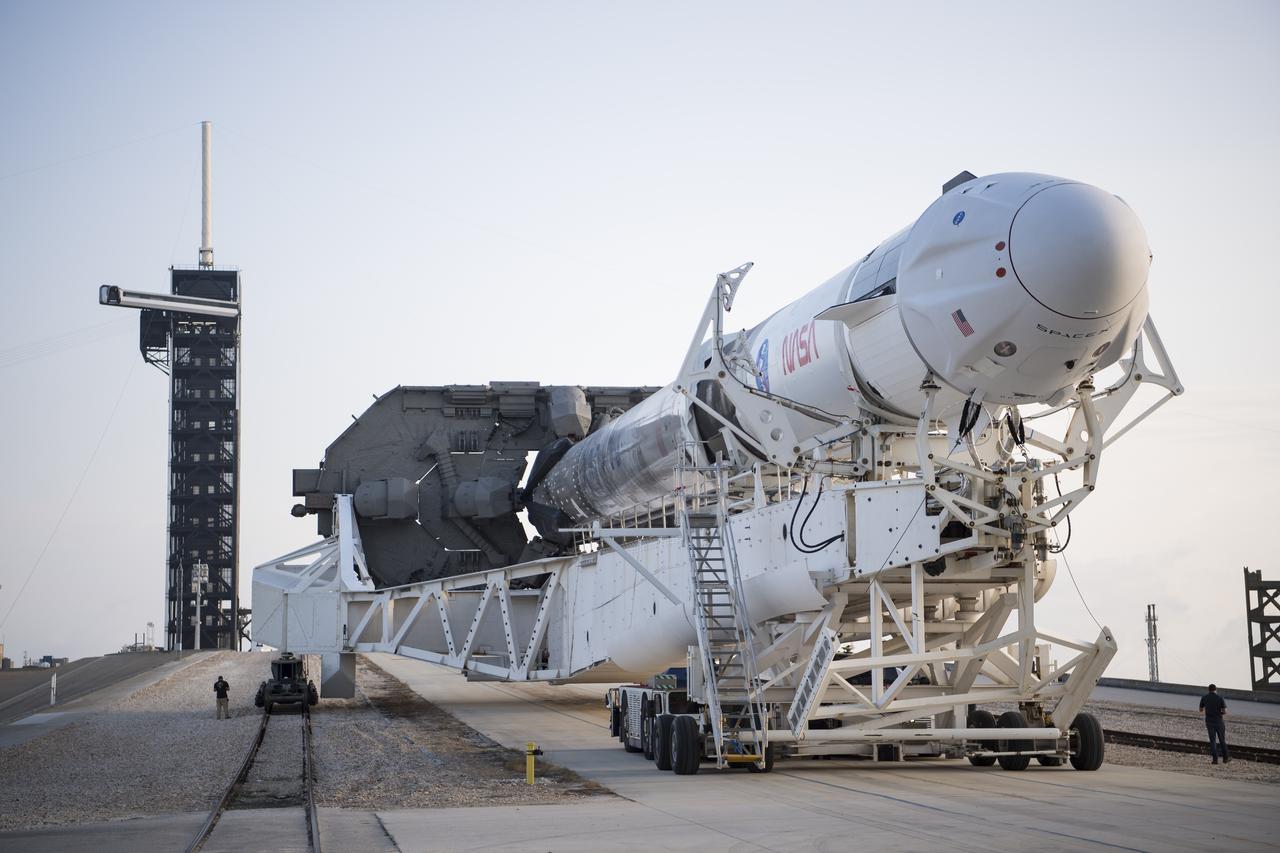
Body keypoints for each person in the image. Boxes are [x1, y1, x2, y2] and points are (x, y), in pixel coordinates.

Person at [1199, 683, 1229, 764]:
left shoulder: (1204, 697)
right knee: (1222, 740)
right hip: (1219, 721)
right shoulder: (1220, 698)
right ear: (1216, 690)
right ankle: (1225, 759)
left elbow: (1201, 710)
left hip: (1209, 721)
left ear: (1208, 690)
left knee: (1212, 741)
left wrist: (1208, 710)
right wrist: (1219, 713)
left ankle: (1215, 760)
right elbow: (1225, 711)